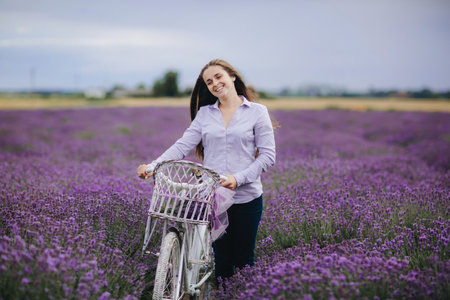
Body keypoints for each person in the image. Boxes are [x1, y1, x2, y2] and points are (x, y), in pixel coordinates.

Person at [137, 59, 276, 281]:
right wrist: (154, 166)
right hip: (212, 198)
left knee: (243, 261)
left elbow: (268, 156)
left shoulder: (257, 112)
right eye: (209, 82)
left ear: (232, 76)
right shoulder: (205, 114)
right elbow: (182, 145)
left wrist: (237, 179)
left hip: (246, 198)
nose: (215, 84)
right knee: (221, 262)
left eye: (218, 77)